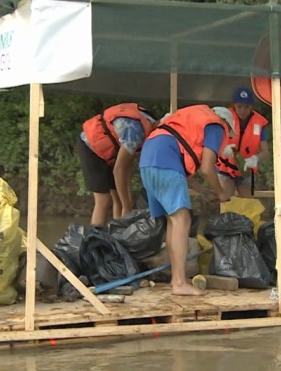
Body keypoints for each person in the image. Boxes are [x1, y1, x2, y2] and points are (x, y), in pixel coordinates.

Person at [139, 105, 233, 295]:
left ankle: (177, 279)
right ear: (227, 126)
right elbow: (207, 168)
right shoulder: (216, 126)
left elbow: (183, 169)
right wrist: (221, 193)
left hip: (148, 160)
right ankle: (179, 283)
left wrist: (204, 191)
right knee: (182, 219)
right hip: (164, 160)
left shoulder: (191, 122)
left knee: (173, 221)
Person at [79, 103, 158, 225]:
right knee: (104, 200)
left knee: (119, 200)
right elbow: (119, 170)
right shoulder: (135, 133)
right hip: (90, 147)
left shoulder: (150, 123)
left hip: (110, 152)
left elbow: (127, 165)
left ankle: (117, 236)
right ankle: (93, 240)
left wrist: (128, 195)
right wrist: (127, 206)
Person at [215, 87, 269, 199]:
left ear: (251, 107)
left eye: (246, 107)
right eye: (239, 106)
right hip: (225, 169)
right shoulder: (224, 117)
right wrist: (222, 149)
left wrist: (255, 159)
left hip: (246, 170)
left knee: (248, 204)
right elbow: (212, 141)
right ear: (234, 105)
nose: (243, 110)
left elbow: (265, 153)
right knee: (225, 202)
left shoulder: (259, 123)